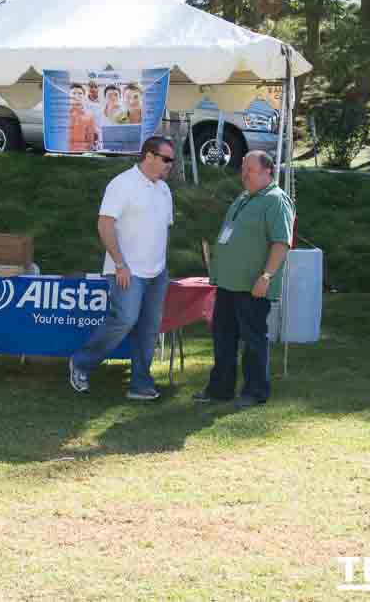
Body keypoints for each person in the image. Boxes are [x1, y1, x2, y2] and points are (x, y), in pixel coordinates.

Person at [69, 136, 176, 400]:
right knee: (125, 320)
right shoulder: (121, 184)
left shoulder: (164, 190)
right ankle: (81, 363)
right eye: (166, 159)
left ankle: (141, 384)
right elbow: (104, 225)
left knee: (149, 329)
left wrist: (162, 267)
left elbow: (163, 229)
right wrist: (120, 264)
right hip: (126, 270)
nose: (170, 165)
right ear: (149, 156)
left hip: (157, 272)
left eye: (172, 160)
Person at [195, 150, 294, 410]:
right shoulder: (243, 198)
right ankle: (220, 390)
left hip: (253, 286)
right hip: (228, 283)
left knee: (253, 339)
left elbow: (281, 243)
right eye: (242, 169)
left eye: (249, 170)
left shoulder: (276, 200)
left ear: (267, 171)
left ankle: (255, 392)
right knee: (223, 337)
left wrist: (266, 276)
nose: (243, 175)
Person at [67, 83, 99, 152]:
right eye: (73, 93)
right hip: (64, 152)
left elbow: (90, 140)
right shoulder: (62, 114)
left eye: (80, 93)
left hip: (82, 153)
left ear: (84, 96)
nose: (77, 96)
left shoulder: (90, 116)